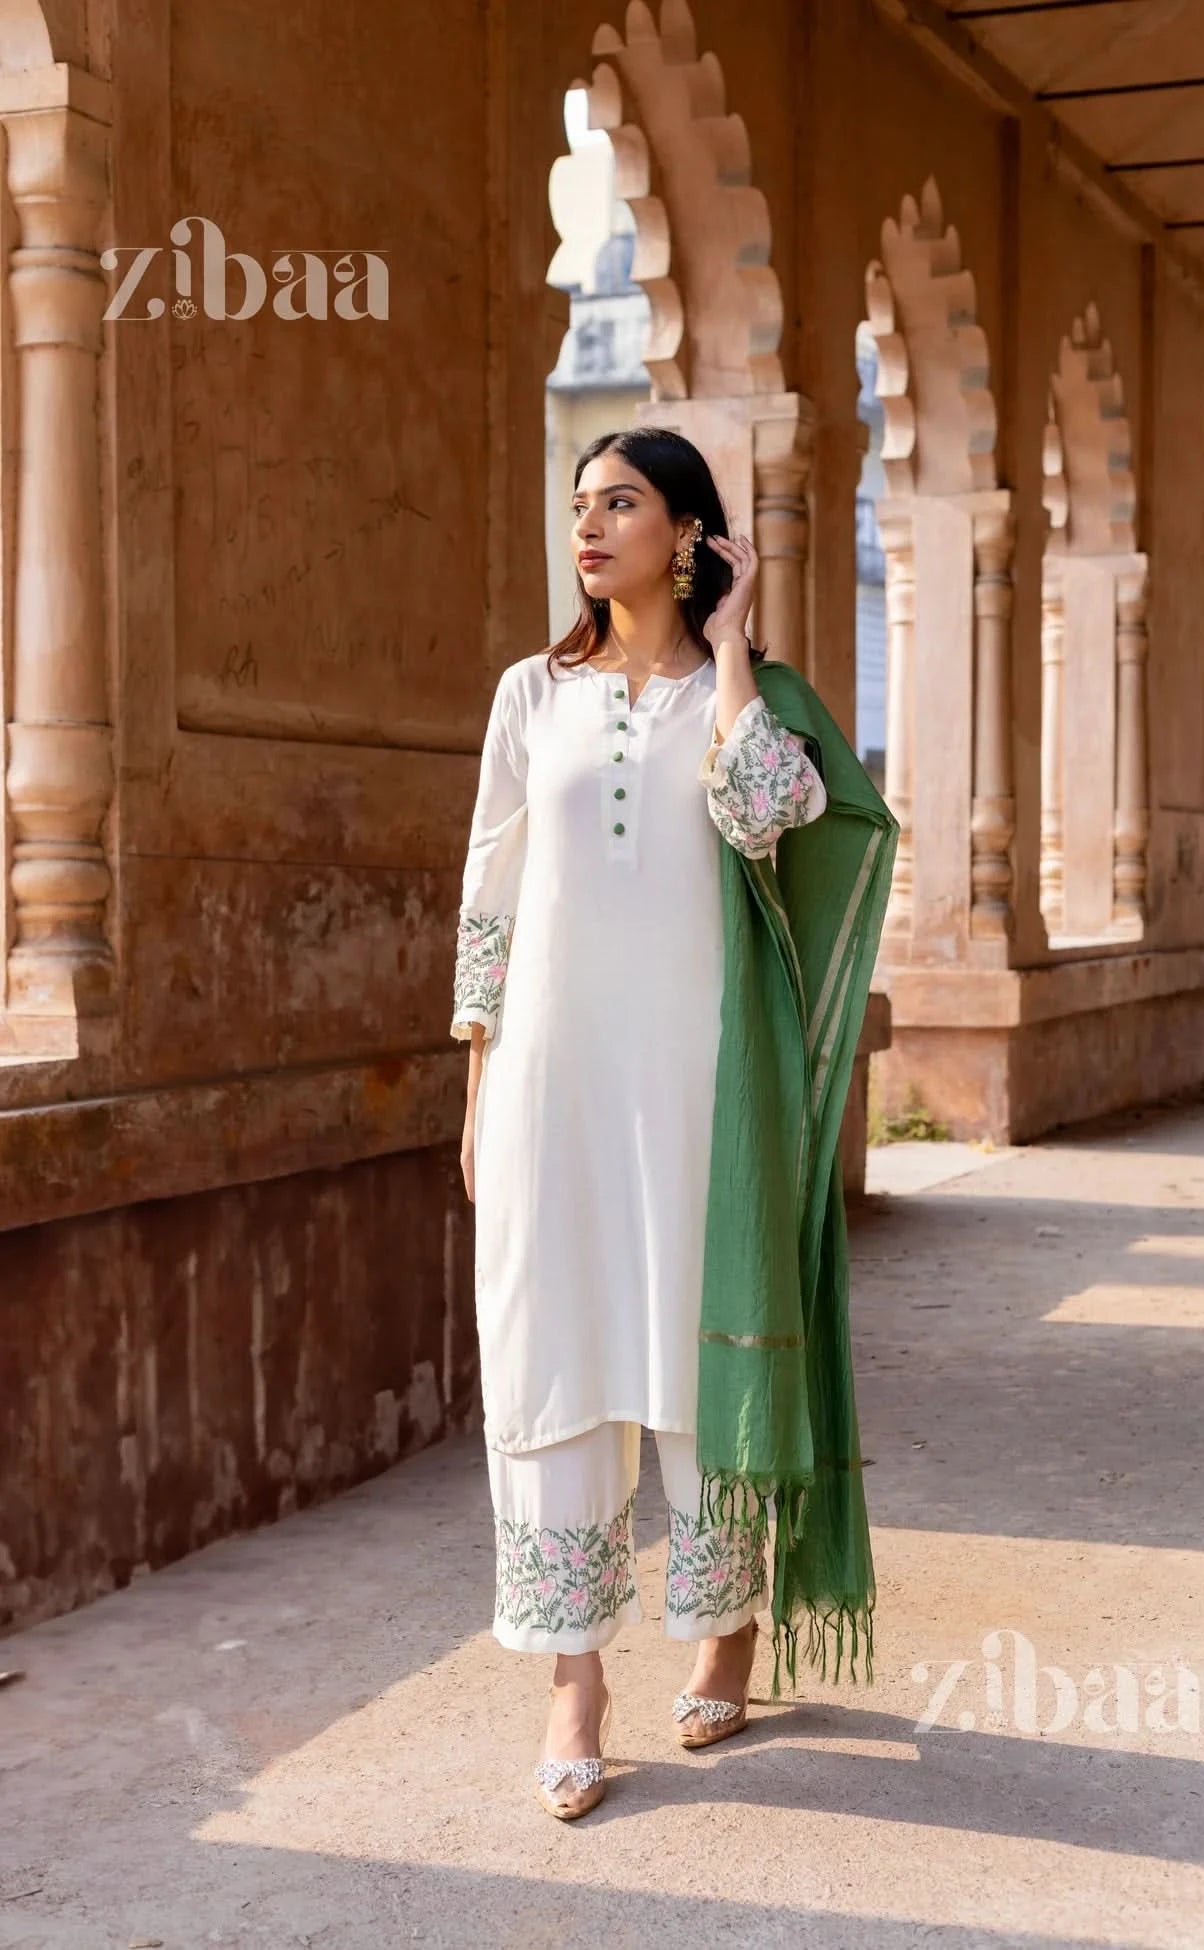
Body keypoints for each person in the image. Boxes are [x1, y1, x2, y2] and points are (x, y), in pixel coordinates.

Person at [451, 426, 897, 1818]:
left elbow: (773, 810)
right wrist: (476, 1093)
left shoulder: (739, 701)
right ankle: (574, 1683)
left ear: (689, 533)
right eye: (578, 504)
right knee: (552, 1359)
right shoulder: (533, 695)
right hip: (551, 1087)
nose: (586, 526)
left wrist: (740, 639)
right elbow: (491, 905)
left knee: (693, 1368)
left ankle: (725, 1627)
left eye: (621, 502)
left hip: (701, 1092)